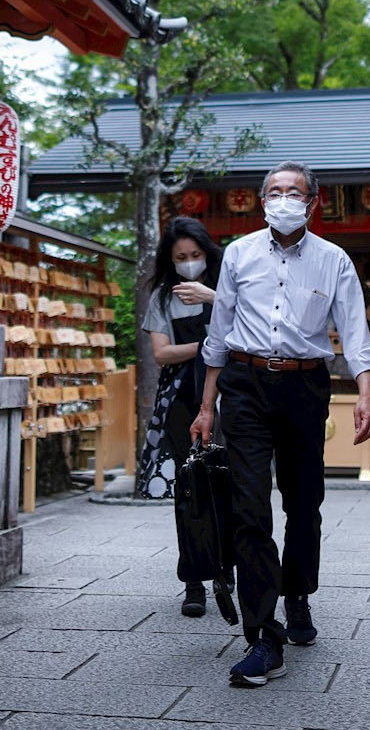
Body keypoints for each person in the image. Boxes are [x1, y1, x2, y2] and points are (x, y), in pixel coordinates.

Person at [192, 161, 370, 687]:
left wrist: (364, 394)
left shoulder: (333, 260)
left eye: (293, 191)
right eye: (274, 191)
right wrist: (207, 408)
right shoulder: (238, 254)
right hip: (244, 385)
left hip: (304, 386)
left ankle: (297, 593)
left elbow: (355, 331)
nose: (283, 198)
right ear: (262, 201)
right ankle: (262, 636)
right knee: (249, 510)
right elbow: (219, 334)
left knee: (304, 502)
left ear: (312, 202)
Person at [137, 216, 222, 617]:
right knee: (190, 488)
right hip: (180, 398)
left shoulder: (225, 288)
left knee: (232, 484)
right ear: (170, 261)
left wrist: (213, 299)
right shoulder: (162, 297)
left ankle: (228, 568)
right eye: (181, 257)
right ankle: (193, 580)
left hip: (229, 394)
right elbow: (161, 354)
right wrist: (208, 344)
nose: (189, 262)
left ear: (208, 253)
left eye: (196, 254)